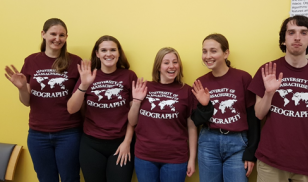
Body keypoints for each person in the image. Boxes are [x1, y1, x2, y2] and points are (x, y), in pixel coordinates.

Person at [248, 15, 308, 182]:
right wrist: (269, 92)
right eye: (291, 32)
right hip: (271, 161)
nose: (297, 37)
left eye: (303, 33)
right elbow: (259, 114)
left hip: (307, 163)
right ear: (283, 40)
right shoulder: (268, 70)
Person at [4, 18, 82, 182]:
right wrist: (22, 88)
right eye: (53, 34)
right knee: (46, 179)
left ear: (66, 37)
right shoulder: (32, 60)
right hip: (37, 134)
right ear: (43, 34)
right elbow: (26, 102)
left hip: (68, 133)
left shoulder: (76, 62)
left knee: (70, 177)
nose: (57, 38)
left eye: (62, 35)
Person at [128, 47, 208, 182]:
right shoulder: (144, 87)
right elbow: (132, 121)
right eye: (166, 63)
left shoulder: (187, 91)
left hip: (175, 158)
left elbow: (192, 127)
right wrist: (136, 101)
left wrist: (192, 159)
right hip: (144, 156)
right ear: (158, 66)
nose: (172, 66)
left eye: (175, 62)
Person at [67, 35, 137, 182]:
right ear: (97, 54)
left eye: (113, 50)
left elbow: (133, 116)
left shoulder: (129, 76)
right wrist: (84, 85)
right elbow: (71, 109)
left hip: (121, 144)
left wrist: (127, 142)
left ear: (119, 53)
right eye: (104, 50)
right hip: (91, 144)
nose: (108, 54)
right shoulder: (88, 75)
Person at [193, 33, 260, 182]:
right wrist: (205, 106)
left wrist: (251, 152)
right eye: (204, 51)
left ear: (226, 53)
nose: (208, 56)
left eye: (213, 51)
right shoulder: (201, 82)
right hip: (208, 143)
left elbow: (253, 117)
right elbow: (196, 120)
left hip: (237, 143)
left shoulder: (243, 78)